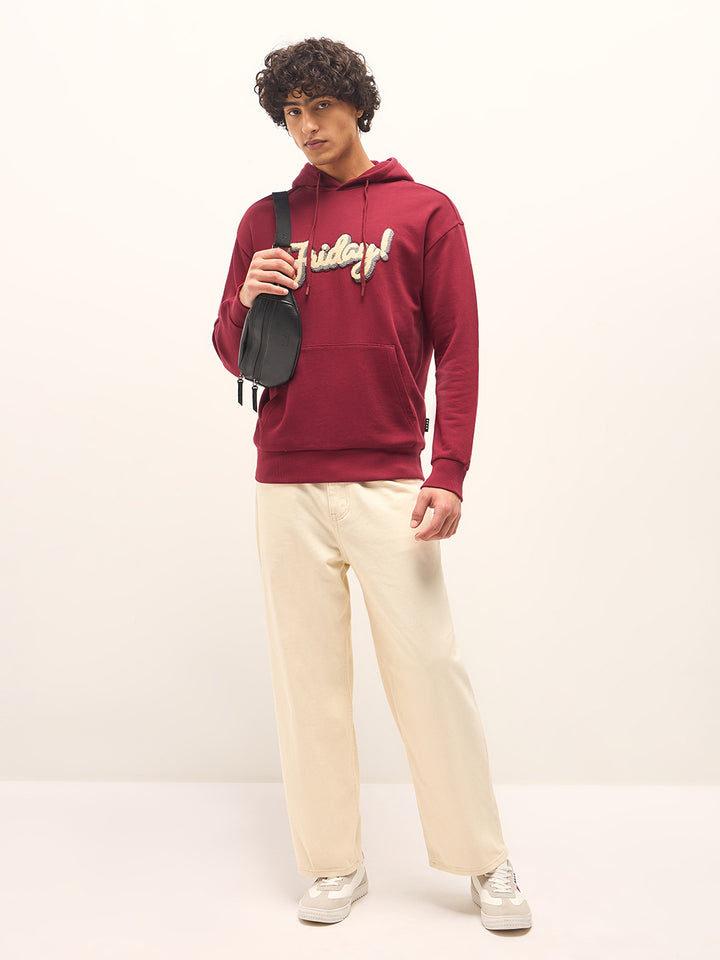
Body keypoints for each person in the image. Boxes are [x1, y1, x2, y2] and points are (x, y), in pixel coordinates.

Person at [211, 36, 532, 931]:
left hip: (393, 480)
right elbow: (230, 351)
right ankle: (332, 863)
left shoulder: (425, 213)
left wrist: (449, 469)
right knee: (307, 683)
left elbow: (459, 350)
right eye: (291, 113)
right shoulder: (265, 221)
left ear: (357, 105)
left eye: (321, 106)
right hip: (286, 483)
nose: (307, 127)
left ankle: (485, 860)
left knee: (430, 671)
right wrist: (246, 297)